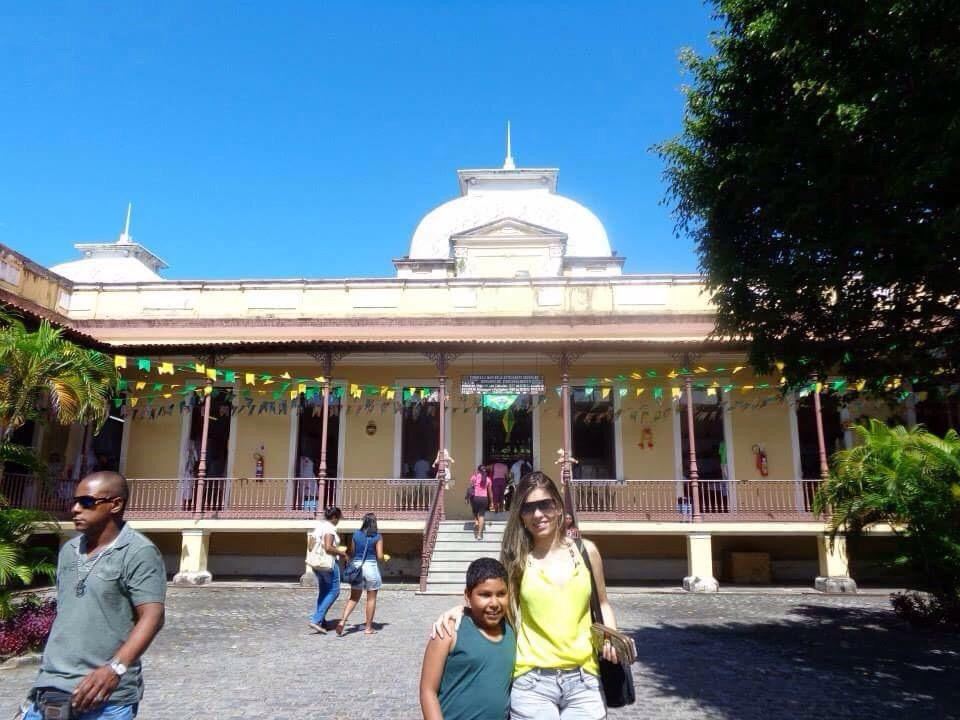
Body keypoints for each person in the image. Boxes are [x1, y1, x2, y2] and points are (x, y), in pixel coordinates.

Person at [433, 471, 621, 719]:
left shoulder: (587, 552)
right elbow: (497, 601)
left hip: (584, 678)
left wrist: (612, 637)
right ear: (520, 516)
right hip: (533, 680)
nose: (538, 515)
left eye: (545, 504)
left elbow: (603, 604)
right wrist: (463, 610)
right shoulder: (517, 560)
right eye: (528, 508)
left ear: (558, 505)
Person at [20, 471, 166, 720]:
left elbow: (153, 616)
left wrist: (114, 669)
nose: (76, 508)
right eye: (74, 501)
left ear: (116, 504)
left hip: (105, 698)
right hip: (50, 690)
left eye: (86, 502)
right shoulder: (69, 550)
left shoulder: (138, 552)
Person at [420, 558, 516, 720]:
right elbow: (428, 691)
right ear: (468, 595)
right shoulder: (449, 631)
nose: (494, 603)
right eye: (485, 595)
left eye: (501, 594)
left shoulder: (510, 631)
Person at [336, 512, 384, 635]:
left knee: (353, 597)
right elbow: (379, 556)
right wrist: (384, 558)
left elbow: (353, 551)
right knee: (371, 599)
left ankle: (342, 621)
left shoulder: (356, 534)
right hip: (371, 568)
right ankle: (368, 628)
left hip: (357, 567)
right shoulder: (377, 536)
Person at [307, 506, 348, 634]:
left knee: (324, 591)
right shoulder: (329, 528)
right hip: (328, 563)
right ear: (334, 517)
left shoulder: (319, 526)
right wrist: (342, 553)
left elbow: (310, 545)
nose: (340, 520)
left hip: (317, 564)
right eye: (339, 517)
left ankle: (321, 621)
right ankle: (316, 619)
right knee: (334, 591)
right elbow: (328, 548)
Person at [467, 465, 493, 540]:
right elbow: (490, 492)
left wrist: (474, 473)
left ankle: (476, 521)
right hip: (484, 499)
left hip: (475, 498)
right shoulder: (488, 479)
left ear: (478, 470)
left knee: (475, 511)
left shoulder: (474, 477)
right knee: (481, 515)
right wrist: (491, 502)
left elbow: (471, 487)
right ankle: (479, 535)